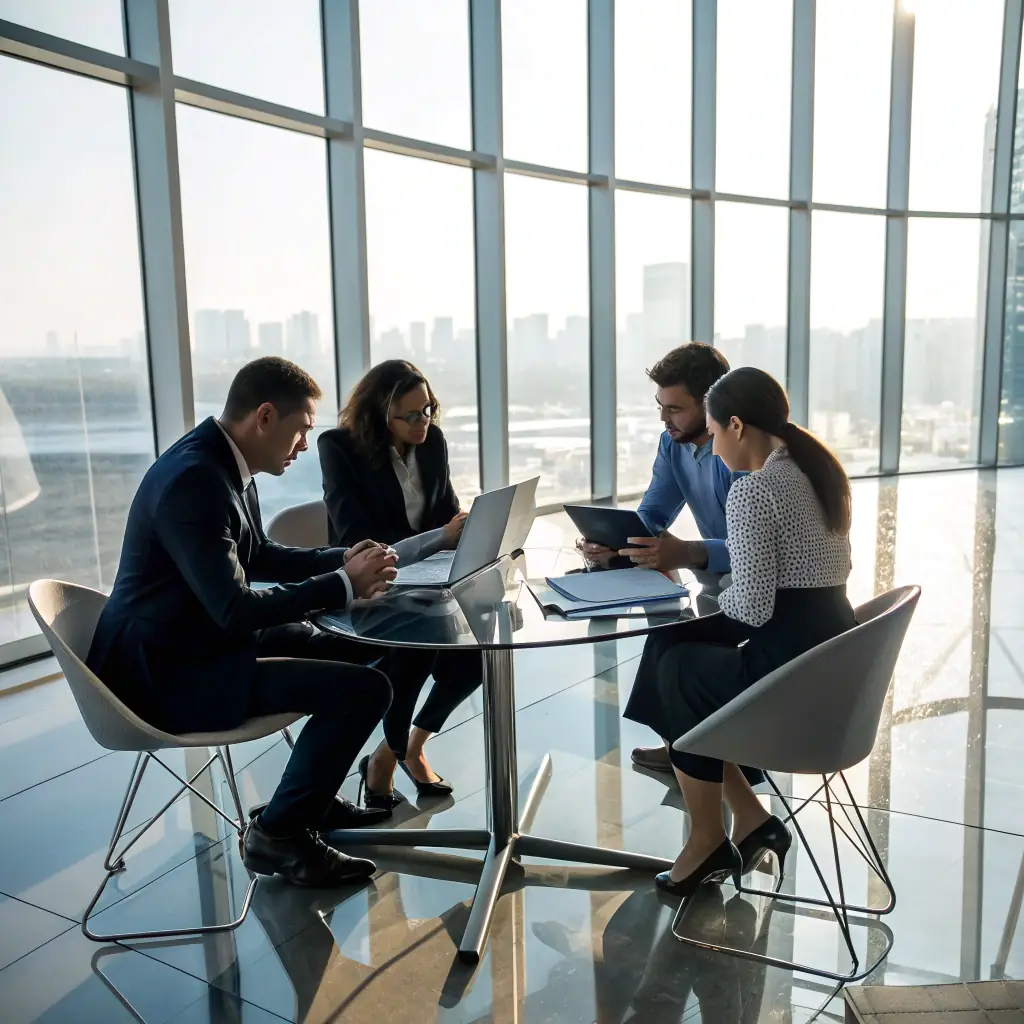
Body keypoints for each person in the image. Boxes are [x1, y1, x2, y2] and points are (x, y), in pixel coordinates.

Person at [88, 356, 407, 888]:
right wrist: (345, 585)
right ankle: (278, 835)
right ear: (264, 417)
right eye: (302, 429)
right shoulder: (196, 481)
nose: (304, 444)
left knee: (370, 648)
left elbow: (257, 555)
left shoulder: (224, 461)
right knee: (364, 690)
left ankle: (312, 800)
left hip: (199, 642)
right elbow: (235, 609)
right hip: (165, 675)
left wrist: (343, 558)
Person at [627, 366, 855, 898]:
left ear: (735, 426)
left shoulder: (755, 492)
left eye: (712, 432)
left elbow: (751, 607)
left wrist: (696, 611)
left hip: (791, 673)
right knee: (671, 647)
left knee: (678, 669)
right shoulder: (817, 471)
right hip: (831, 654)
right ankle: (750, 821)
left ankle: (708, 839)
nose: (712, 448)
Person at [318, 359, 482, 808]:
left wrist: (468, 531)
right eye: (410, 415)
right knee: (422, 647)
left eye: (428, 409)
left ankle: (404, 748)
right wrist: (440, 537)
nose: (423, 421)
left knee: (479, 656)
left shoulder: (432, 443)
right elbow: (357, 540)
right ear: (377, 415)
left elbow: (445, 514)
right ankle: (387, 760)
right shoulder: (338, 447)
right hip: (370, 588)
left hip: (426, 585)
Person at [587, 343, 741, 773]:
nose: (663, 418)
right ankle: (682, 742)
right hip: (718, 582)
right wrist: (614, 540)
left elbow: (759, 550)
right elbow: (653, 514)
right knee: (667, 621)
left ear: (712, 403)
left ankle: (690, 747)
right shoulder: (672, 444)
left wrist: (688, 552)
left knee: (674, 643)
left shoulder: (741, 452)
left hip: (750, 586)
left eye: (674, 409)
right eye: (660, 406)